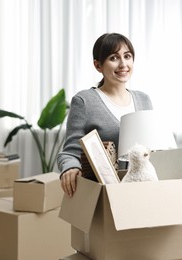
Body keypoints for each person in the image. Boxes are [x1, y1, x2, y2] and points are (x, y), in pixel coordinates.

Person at [57, 33, 153, 197]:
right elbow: (70, 153)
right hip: (107, 194)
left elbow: (155, 147)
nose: (123, 64)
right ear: (98, 65)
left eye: (127, 56)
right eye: (114, 58)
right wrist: (71, 167)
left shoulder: (143, 99)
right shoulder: (84, 101)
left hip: (145, 191)